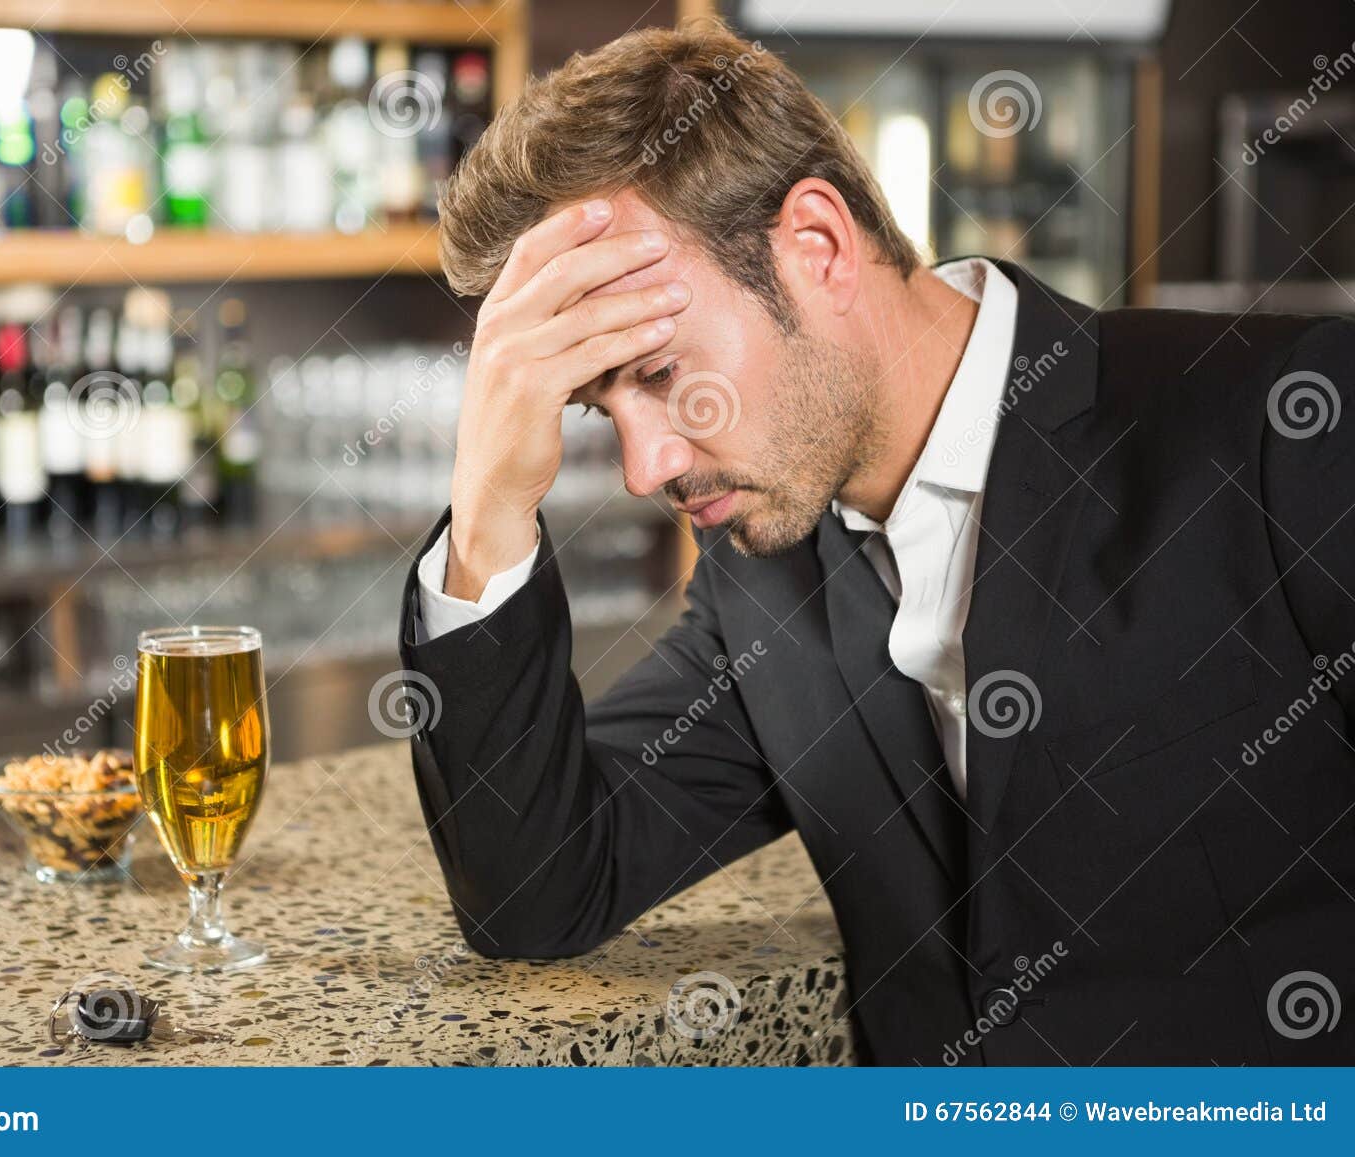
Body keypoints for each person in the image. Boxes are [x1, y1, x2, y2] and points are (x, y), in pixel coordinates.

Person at [395, 20, 1355, 1064]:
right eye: (596, 405)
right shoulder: (762, 585)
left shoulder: (1281, 426)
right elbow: (540, 890)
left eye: (662, 373)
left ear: (814, 246)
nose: (643, 466)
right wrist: (488, 504)